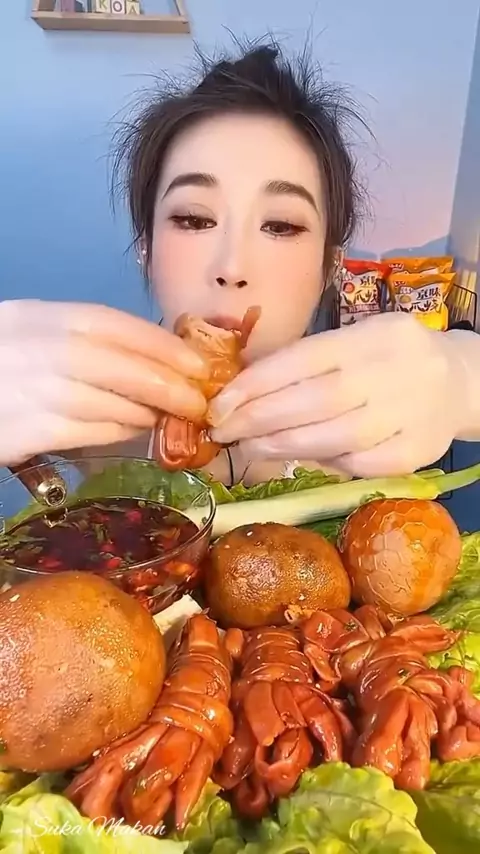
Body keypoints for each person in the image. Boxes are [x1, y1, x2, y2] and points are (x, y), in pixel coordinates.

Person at [2, 43, 480, 486]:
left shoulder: (370, 401)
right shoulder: (83, 405)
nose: (232, 267)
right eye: (193, 219)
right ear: (146, 245)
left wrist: (458, 375)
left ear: (330, 266)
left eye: (281, 226)